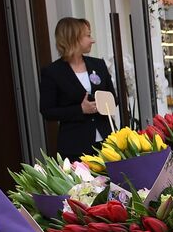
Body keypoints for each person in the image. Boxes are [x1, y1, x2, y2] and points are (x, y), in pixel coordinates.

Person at [39, 17, 117, 160]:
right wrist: (80, 110)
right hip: (75, 146)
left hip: (108, 142)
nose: (92, 40)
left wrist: (102, 103)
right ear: (73, 38)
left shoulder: (98, 65)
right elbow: (47, 112)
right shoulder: (53, 72)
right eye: (87, 36)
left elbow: (113, 98)